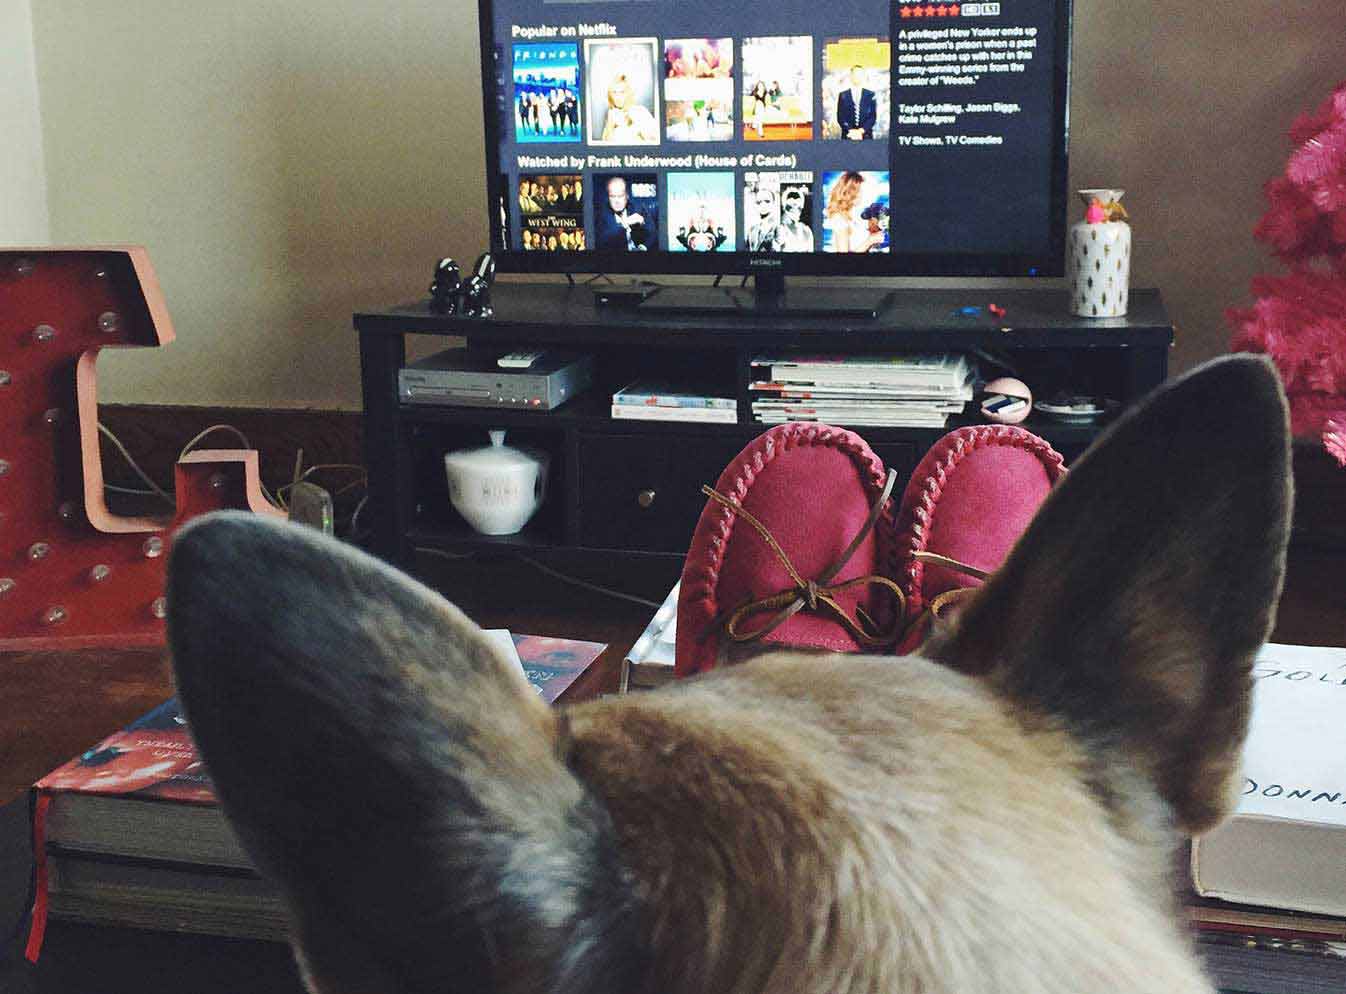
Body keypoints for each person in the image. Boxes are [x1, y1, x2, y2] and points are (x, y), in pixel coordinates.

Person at [823, 171, 884, 253]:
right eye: (860, 190)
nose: (862, 194)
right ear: (850, 193)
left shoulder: (849, 217)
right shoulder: (839, 219)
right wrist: (870, 240)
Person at [594, 175, 651, 251]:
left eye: (620, 196)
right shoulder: (600, 214)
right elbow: (602, 240)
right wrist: (625, 223)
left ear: (627, 196)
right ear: (608, 198)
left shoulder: (638, 208)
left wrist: (643, 247)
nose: (617, 201)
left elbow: (653, 234)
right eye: (613, 196)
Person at [600, 74, 659, 144]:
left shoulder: (640, 111)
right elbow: (604, 147)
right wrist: (610, 125)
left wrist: (638, 124)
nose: (618, 97)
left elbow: (655, 141)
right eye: (614, 93)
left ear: (628, 94)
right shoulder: (611, 114)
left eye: (622, 92)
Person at [836, 65, 877, 141]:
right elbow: (840, 117)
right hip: (848, 135)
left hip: (866, 136)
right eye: (855, 74)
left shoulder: (871, 94)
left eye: (860, 74)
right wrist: (851, 131)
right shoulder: (843, 95)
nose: (857, 77)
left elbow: (873, 117)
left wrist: (861, 131)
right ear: (851, 76)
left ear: (864, 76)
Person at [776, 185, 814, 251]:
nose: (795, 209)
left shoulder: (807, 230)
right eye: (790, 206)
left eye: (798, 206)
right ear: (784, 207)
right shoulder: (780, 229)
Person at [746, 185, 782, 252]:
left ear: (773, 203)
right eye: (759, 202)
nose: (763, 205)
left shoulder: (779, 228)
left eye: (767, 201)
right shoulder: (751, 230)